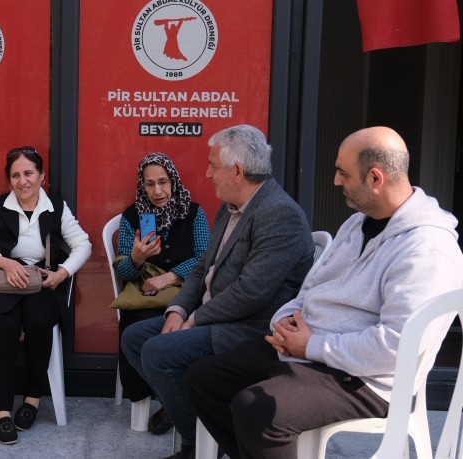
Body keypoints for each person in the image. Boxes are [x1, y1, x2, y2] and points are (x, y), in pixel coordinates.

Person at [185, 126, 463, 459]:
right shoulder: (357, 223)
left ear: (375, 178)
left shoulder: (427, 248)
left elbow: (395, 347)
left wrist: (312, 345)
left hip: (367, 378)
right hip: (310, 350)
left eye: (343, 173)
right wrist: (286, 319)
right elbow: (311, 288)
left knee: (258, 409)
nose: (335, 181)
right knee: (203, 377)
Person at [121, 125, 314, 459]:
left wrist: (194, 319)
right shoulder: (229, 207)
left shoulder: (279, 214)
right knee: (135, 337)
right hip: (213, 316)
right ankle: (204, 433)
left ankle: (199, 445)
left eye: (213, 165)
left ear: (237, 171)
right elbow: (201, 268)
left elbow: (251, 293)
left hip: (250, 326)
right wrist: (177, 311)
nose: (207, 174)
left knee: (158, 352)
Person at [0, 146, 91, 445]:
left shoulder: (56, 207)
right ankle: (1, 411)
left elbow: (83, 244)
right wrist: (4, 262)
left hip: (41, 282)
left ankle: (33, 398)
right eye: (15, 175)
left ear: (41, 176)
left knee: (39, 321)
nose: (22, 181)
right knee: (6, 326)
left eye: (28, 173)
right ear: (9, 180)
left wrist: (62, 273)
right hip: (1, 282)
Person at [114, 152, 210, 435]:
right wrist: (136, 258)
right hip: (145, 298)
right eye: (150, 184)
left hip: (185, 296)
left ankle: (173, 403)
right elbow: (124, 274)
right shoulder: (133, 217)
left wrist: (170, 276)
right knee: (134, 327)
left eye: (163, 182)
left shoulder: (193, 213)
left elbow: (206, 258)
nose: (157, 191)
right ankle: (171, 399)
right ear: (142, 186)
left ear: (174, 181)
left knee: (189, 325)